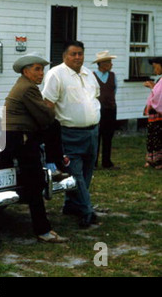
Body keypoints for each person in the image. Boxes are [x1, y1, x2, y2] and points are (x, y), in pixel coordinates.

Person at [3, 52, 68, 243]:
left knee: (35, 181)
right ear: (26, 71)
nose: (42, 74)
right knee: (34, 183)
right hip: (20, 138)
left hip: (20, 136)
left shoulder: (25, 85)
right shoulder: (28, 89)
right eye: (37, 69)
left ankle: (54, 164)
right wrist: (50, 108)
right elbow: (46, 117)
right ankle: (43, 230)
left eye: (42, 70)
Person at [42, 40, 101, 229]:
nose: (77, 57)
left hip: (92, 132)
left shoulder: (89, 74)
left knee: (87, 171)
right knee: (75, 173)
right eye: (73, 54)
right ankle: (87, 211)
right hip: (69, 133)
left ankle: (72, 205)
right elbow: (48, 104)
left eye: (80, 54)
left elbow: (95, 97)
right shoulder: (56, 74)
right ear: (64, 56)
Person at [92, 51, 119, 170]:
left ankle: (107, 162)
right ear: (101, 63)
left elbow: (114, 90)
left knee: (108, 136)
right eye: (108, 62)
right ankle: (93, 163)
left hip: (111, 110)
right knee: (96, 137)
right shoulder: (92, 76)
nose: (111, 64)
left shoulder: (113, 75)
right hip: (97, 110)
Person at [143, 57, 162, 169]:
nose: (154, 70)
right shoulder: (159, 79)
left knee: (158, 138)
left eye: (155, 67)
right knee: (152, 137)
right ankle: (152, 160)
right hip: (154, 115)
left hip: (159, 115)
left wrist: (152, 87)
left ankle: (158, 161)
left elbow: (159, 96)